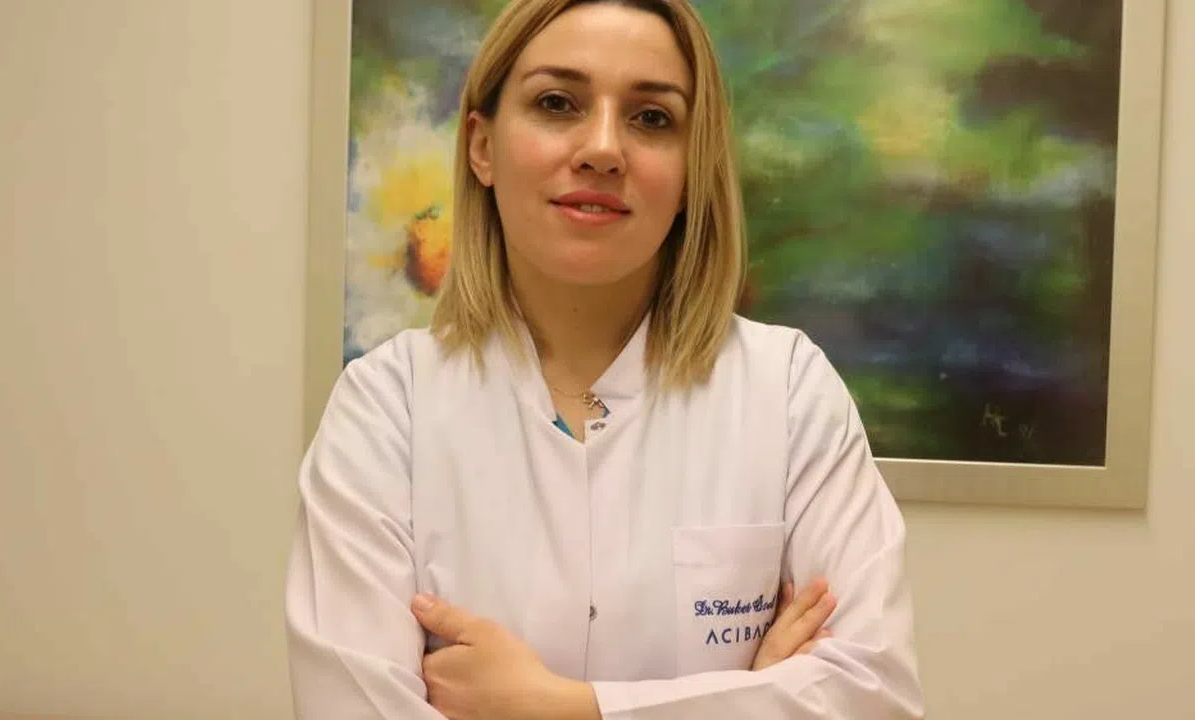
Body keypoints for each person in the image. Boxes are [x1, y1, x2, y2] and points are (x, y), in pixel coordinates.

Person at [284, 0, 925, 717]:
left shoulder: (788, 391)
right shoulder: (386, 407)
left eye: (652, 117)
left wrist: (560, 708)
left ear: (692, 170)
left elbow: (875, 696)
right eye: (557, 103)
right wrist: (747, 696)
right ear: (482, 146)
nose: (602, 149)